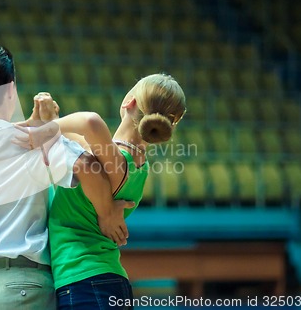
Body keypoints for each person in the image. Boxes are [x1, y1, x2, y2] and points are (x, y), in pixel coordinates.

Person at [0, 42, 131, 310]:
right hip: (24, 286)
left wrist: (32, 124)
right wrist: (107, 213)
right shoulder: (35, 144)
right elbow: (89, 166)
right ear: (11, 90)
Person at [18, 74, 186, 309]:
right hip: (105, 281)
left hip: (84, 281)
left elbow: (91, 123)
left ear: (130, 102)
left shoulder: (116, 160)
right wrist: (54, 122)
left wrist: (48, 128)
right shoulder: (138, 164)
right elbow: (81, 143)